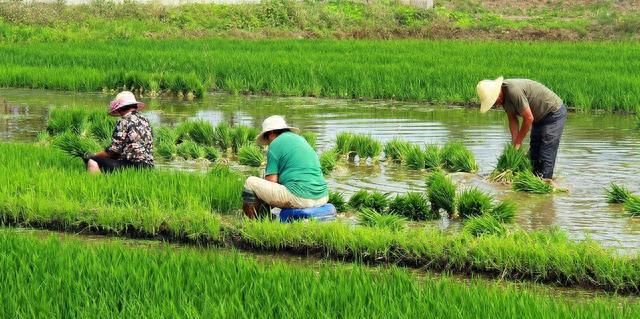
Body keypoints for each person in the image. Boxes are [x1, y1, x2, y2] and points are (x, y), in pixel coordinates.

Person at [476, 77, 567, 179]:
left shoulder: (513, 91)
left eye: (493, 101)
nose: (494, 104)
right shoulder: (504, 99)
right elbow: (512, 120)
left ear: (497, 93)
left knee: (545, 154)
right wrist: (514, 144)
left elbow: (528, 118)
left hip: (553, 113)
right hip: (538, 117)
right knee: (534, 154)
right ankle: (533, 183)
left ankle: (546, 185)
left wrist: (518, 142)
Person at [243, 115, 328, 218]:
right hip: (322, 197)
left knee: (250, 182)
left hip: (301, 198)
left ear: (271, 133)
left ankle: (251, 222)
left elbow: (271, 181)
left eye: (267, 138)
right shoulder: (301, 140)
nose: (268, 143)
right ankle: (266, 217)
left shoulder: (275, 144)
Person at [84, 91, 154, 174]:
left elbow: (113, 152)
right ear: (135, 106)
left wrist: (94, 155)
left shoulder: (124, 121)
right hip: (148, 167)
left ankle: (97, 184)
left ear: (120, 108)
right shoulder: (145, 120)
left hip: (132, 165)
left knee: (92, 161)